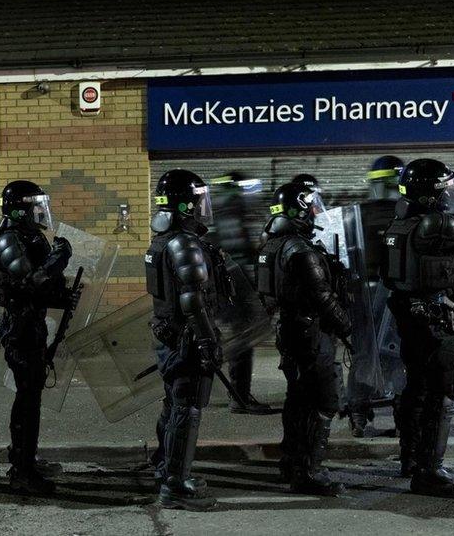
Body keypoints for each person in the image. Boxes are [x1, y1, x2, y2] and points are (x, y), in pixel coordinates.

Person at [383, 159, 454, 498]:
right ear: (431, 193)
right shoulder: (433, 224)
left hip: (410, 317)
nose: (449, 194)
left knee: (417, 388)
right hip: (434, 320)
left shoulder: (401, 223)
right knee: (443, 393)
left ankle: (411, 459)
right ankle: (429, 471)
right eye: (444, 188)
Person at [257, 182, 352, 496]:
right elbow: (322, 297)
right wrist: (348, 329)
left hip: (291, 332)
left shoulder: (272, 244)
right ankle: (310, 471)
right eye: (311, 205)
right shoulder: (299, 250)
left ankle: (292, 462)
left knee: (297, 399)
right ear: (297, 209)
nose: (315, 211)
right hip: (311, 335)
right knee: (323, 401)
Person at [0, 180, 77, 495]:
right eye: (35, 207)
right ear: (18, 210)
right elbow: (32, 282)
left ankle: (25, 458)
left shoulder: (30, 238)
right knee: (27, 398)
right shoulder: (8, 242)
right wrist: (60, 258)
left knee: (30, 397)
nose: (40, 213)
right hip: (19, 328)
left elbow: (42, 290)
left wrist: (65, 298)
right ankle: (22, 471)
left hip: (32, 325)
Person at [145, 169, 227, 511]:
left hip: (170, 337)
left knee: (174, 403)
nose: (202, 207)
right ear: (184, 205)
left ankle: (167, 469)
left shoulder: (163, 241)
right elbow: (192, 298)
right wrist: (208, 341)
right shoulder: (183, 243)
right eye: (197, 201)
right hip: (187, 339)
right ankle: (177, 485)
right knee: (187, 407)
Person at [350, 156, 406, 438]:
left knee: (365, 355)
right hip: (395, 295)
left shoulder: (360, 213)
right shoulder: (408, 216)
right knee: (396, 357)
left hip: (368, 295)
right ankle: (402, 416)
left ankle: (359, 414)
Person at [208, 172, 270, 414]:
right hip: (234, 291)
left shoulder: (222, 213)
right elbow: (237, 256)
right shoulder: (230, 215)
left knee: (237, 342)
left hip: (229, 291)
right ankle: (240, 397)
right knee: (242, 343)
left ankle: (237, 394)